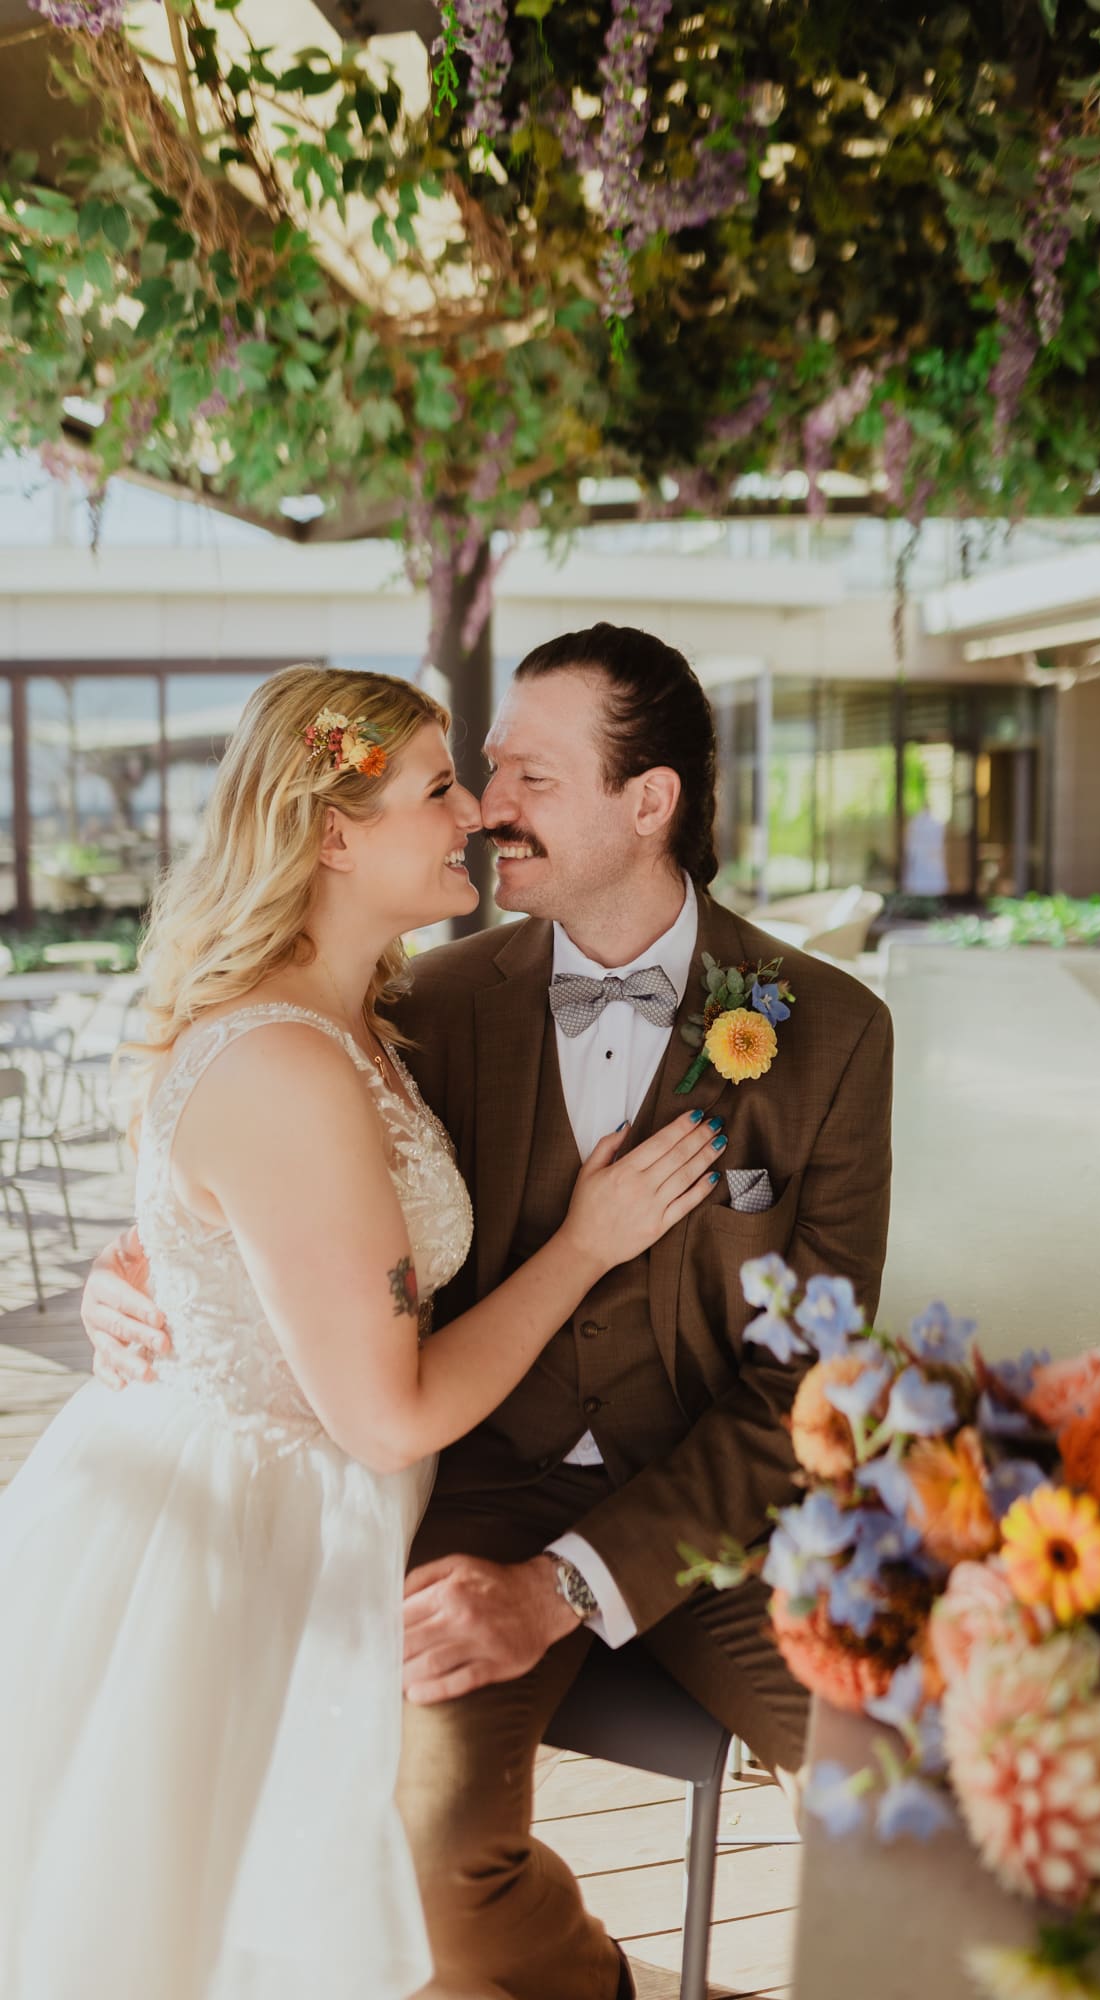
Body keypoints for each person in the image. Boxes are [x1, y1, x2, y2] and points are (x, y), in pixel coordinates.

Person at [85, 625, 895, 2000]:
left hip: (725, 1518)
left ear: (649, 803)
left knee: (916, 1797)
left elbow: (805, 1389)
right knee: (426, 1874)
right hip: (474, 1491)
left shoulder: (830, 1029)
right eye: (477, 772)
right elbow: (282, 1158)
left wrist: (569, 1585)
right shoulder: (427, 1003)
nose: (486, 805)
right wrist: (150, 1258)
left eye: (529, 776)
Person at [1, 664, 720, 2000]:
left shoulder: (376, 1019)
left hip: (364, 1493)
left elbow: (266, 1244)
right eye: (441, 789)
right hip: (262, 1532)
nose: (477, 815)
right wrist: (587, 1242)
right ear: (335, 834)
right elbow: (387, 1415)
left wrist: (157, 1264)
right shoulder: (285, 1060)